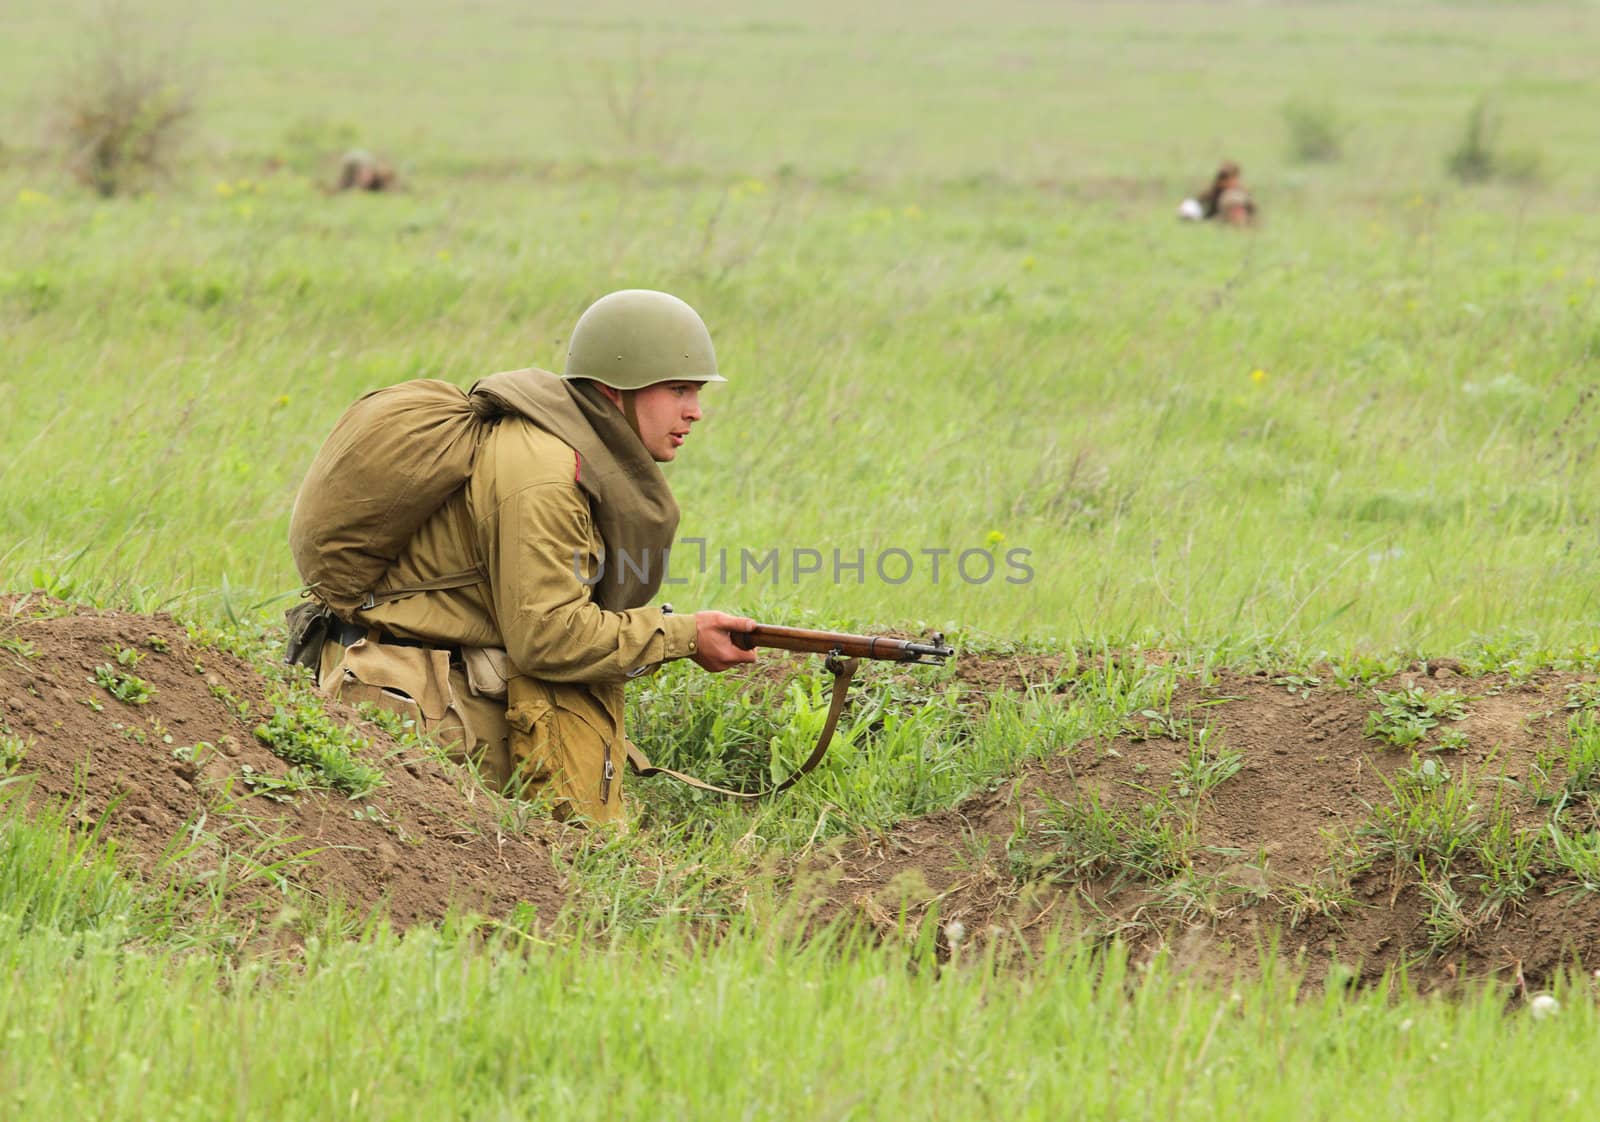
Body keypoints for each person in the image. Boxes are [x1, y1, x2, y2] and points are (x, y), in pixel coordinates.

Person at [310, 289, 758, 825]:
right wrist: (682, 635)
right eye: (679, 389)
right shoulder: (546, 474)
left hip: (437, 690)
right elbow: (549, 635)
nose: (696, 412)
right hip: (426, 719)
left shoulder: (560, 444)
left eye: (698, 392)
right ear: (617, 390)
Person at [1195, 160, 1256, 227]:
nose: (1232, 182)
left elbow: (1251, 209)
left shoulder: (1242, 193)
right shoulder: (1214, 192)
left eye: (1234, 179)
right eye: (1228, 179)